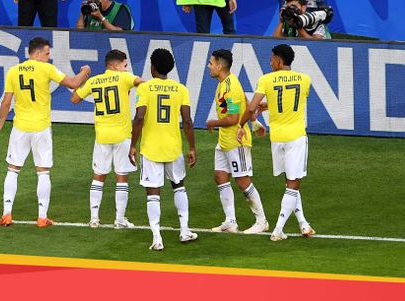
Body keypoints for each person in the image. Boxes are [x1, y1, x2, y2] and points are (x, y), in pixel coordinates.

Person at [0, 37, 91, 227]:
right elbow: (73, 83)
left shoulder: (14, 71)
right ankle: (41, 217)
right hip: (41, 127)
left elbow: (6, 102)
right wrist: (86, 72)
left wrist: (0, 125)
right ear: (37, 54)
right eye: (47, 53)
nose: (48, 57)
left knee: (13, 169)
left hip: (20, 127)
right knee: (43, 172)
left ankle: (6, 214)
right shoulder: (46, 68)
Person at [239, 44, 314, 241]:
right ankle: (278, 230)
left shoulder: (266, 79)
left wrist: (241, 125)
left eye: (272, 58)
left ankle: (303, 223)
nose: (270, 61)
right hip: (296, 137)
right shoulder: (305, 79)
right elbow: (290, 101)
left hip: (277, 138)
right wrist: (271, 104)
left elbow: (251, 108)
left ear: (279, 61)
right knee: (293, 184)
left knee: (290, 182)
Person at [128, 48, 196, 250]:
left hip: (151, 148)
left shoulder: (145, 89)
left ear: (153, 67)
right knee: (179, 186)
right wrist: (192, 147)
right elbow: (187, 121)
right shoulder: (181, 89)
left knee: (153, 194)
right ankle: (184, 230)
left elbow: (139, 118)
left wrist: (132, 144)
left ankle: (157, 238)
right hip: (173, 147)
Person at [71, 50, 143, 228]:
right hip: (122, 136)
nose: (126, 68)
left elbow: (74, 98)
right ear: (116, 65)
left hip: (102, 136)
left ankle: (94, 218)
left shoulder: (94, 81)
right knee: (121, 177)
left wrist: (84, 82)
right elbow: (141, 83)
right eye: (125, 65)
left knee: (98, 176)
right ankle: (119, 220)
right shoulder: (124, 78)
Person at [205, 49, 269, 234]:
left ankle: (262, 221)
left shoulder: (230, 86)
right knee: (220, 176)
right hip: (224, 140)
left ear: (219, 66)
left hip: (236, 141)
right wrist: (255, 122)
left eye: (211, 63)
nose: (208, 66)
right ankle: (230, 221)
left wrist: (213, 122)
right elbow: (246, 102)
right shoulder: (225, 83)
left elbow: (233, 119)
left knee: (242, 181)